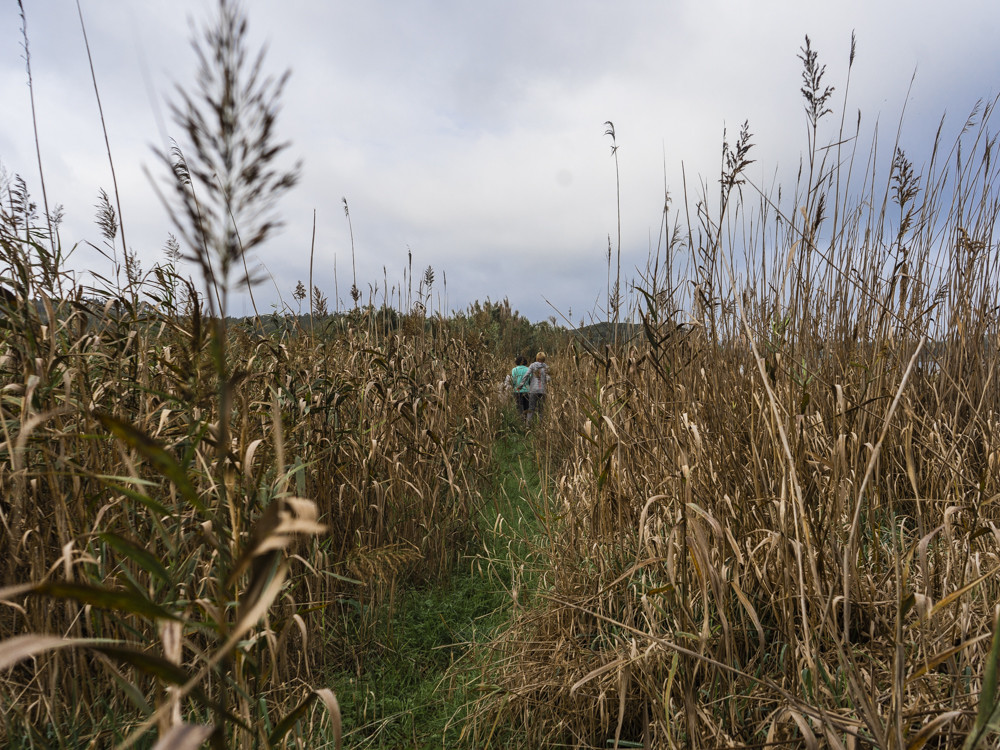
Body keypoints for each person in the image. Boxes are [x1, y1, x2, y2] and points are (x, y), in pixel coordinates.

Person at [525, 351, 550, 422]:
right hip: (543, 390)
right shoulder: (546, 367)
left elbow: (526, 375)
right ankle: (541, 425)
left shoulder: (532, 366)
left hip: (533, 390)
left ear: (537, 358)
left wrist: (521, 385)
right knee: (541, 409)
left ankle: (528, 425)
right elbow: (548, 379)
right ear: (544, 359)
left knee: (531, 408)